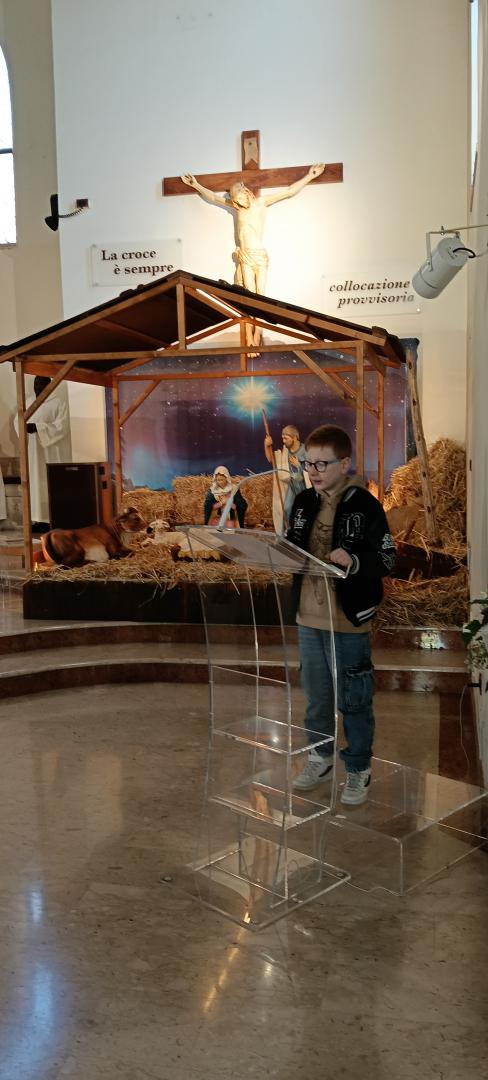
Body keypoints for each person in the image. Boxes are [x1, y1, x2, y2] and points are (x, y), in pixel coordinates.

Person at [287, 424, 395, 806]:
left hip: (347, 621)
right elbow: (293, 545)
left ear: (344, 463)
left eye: (322, 464)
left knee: (353, 699)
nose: (313, 471)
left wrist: (353, 559)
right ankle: (320, 756)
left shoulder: (364, 504)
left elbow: (387, 558)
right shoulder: (303, 501)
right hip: (307, 617)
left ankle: (358, 767)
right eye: (308, 463)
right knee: (317, 697)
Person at [181, 165, 325, 345]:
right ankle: (249, 336)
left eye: (240, 199)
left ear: (247, 193)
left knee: (261, 297)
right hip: (245, 256)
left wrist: (309, 176)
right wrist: (196, 185)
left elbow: (289, 192)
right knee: (248, 297)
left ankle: (258, 333)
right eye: (236, 201)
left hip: (259, 256)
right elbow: (213, 198)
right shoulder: (237, 208)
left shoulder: (261, 203)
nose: (240, 203)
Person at [14, 376, 72, 531]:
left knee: (50, 482)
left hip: (52, 452)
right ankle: (38, 520)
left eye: (41, 383)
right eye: (36, 383)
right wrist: (24, 427)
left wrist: (38, 428)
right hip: (34, 452)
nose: (37, 386)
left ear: (49, 385)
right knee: (36, 483)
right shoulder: (28, 402)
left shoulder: (58, 402)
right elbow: (17, 420)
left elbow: (62, 425)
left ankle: (52, 520)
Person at [264, 424, 310, 535]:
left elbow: (311, 470)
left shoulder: (305, 451)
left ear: (295, 437)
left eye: (286, 438)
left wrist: (298, 465)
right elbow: (272, 461)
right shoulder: (285, 452)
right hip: (292, 485)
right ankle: (291, 533)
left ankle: (303, 532)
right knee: (287, 508)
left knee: (303, 510)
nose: (283, 441)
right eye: (282, 438)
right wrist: (267, 446)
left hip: (304, 487)